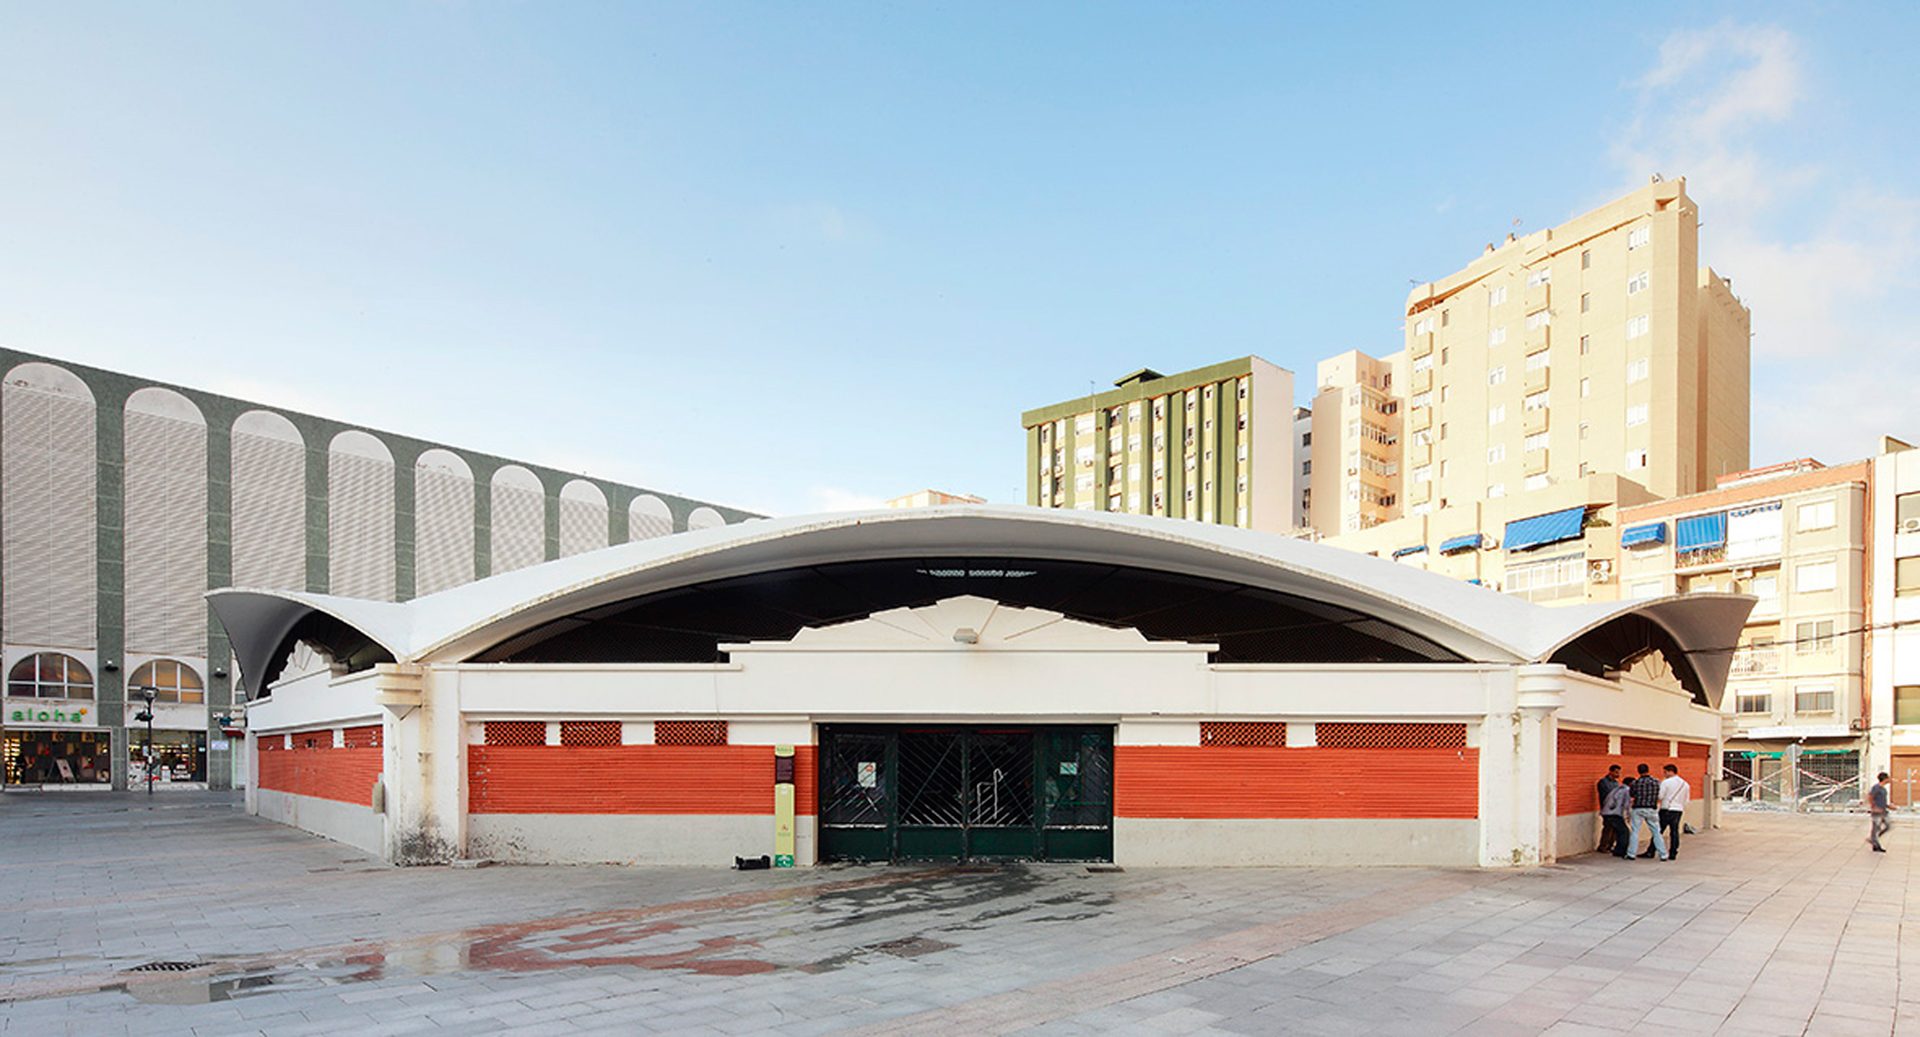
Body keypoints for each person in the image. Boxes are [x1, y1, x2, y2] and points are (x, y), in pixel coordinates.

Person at [1627, 763, 1667, 861]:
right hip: (1651, 808)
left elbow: (1632, 794)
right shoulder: (1656, 782)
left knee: (1635, 831)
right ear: (1648, 770)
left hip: (1638, 808)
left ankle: (1631, 853)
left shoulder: (1635, 783)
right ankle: (1663, 854)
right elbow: (1659, 794)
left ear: (1638, 771)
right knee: (1656, 832)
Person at [1658, 764, 1690, 860]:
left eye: (1665, 772)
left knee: (1659, 831)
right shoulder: (1685, 784)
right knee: (1674, 832)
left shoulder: (1666, 782)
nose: (1664, 774)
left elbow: (1660, 796)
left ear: (1669, 771)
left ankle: (1652, 850)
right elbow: (1686, 800)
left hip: (1666, 808)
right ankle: (1673, 852)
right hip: (1678, 809)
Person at [1601, 774, 1633, 858]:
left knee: (1615, 831)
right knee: (1624, 832)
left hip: (1607, 812)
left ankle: (1612, 848)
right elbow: (1626, 805)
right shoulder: (1627, 790)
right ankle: (1621, 850)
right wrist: (1629, 816)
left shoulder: (1616, 789)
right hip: (1615, 813)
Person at [1596, 765, 1624, 855]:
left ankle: (1610, 845)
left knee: (1614, 828)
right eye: (1616, 772)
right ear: (1611, 771)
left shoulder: (1616, 783)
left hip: (1616, 808)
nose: (1618, 774)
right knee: (1608, 827)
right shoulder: (1603, 782)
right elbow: (1608, 795)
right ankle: (1603, 846)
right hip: (1607, 808)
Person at [1870, 772, 1893, 853]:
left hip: (1883, 810)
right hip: (1877, 811)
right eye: (1888, 778)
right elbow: (1870, 796)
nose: (1890, 779)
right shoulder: (1876, 788)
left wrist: (1888, 806)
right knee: (1876, 827)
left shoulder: (1883, 789)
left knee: (1888, 826)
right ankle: (1875, 844)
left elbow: (1881, 800)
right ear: (1885, 779)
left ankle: (1873, 839)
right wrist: (1873, 807)